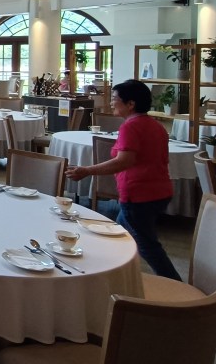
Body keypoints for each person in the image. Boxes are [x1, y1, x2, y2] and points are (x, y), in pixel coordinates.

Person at [65, 79, 182, 281]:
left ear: (130, 104)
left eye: (114, 98)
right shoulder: (156, 126)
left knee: (147, 246)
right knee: (117, 236)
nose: (111, 102)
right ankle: (108, 275)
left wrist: (87, 170)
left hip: (139, 195)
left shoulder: (131, 127)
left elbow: (124, 161)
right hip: (159, 192)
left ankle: (175, 285)